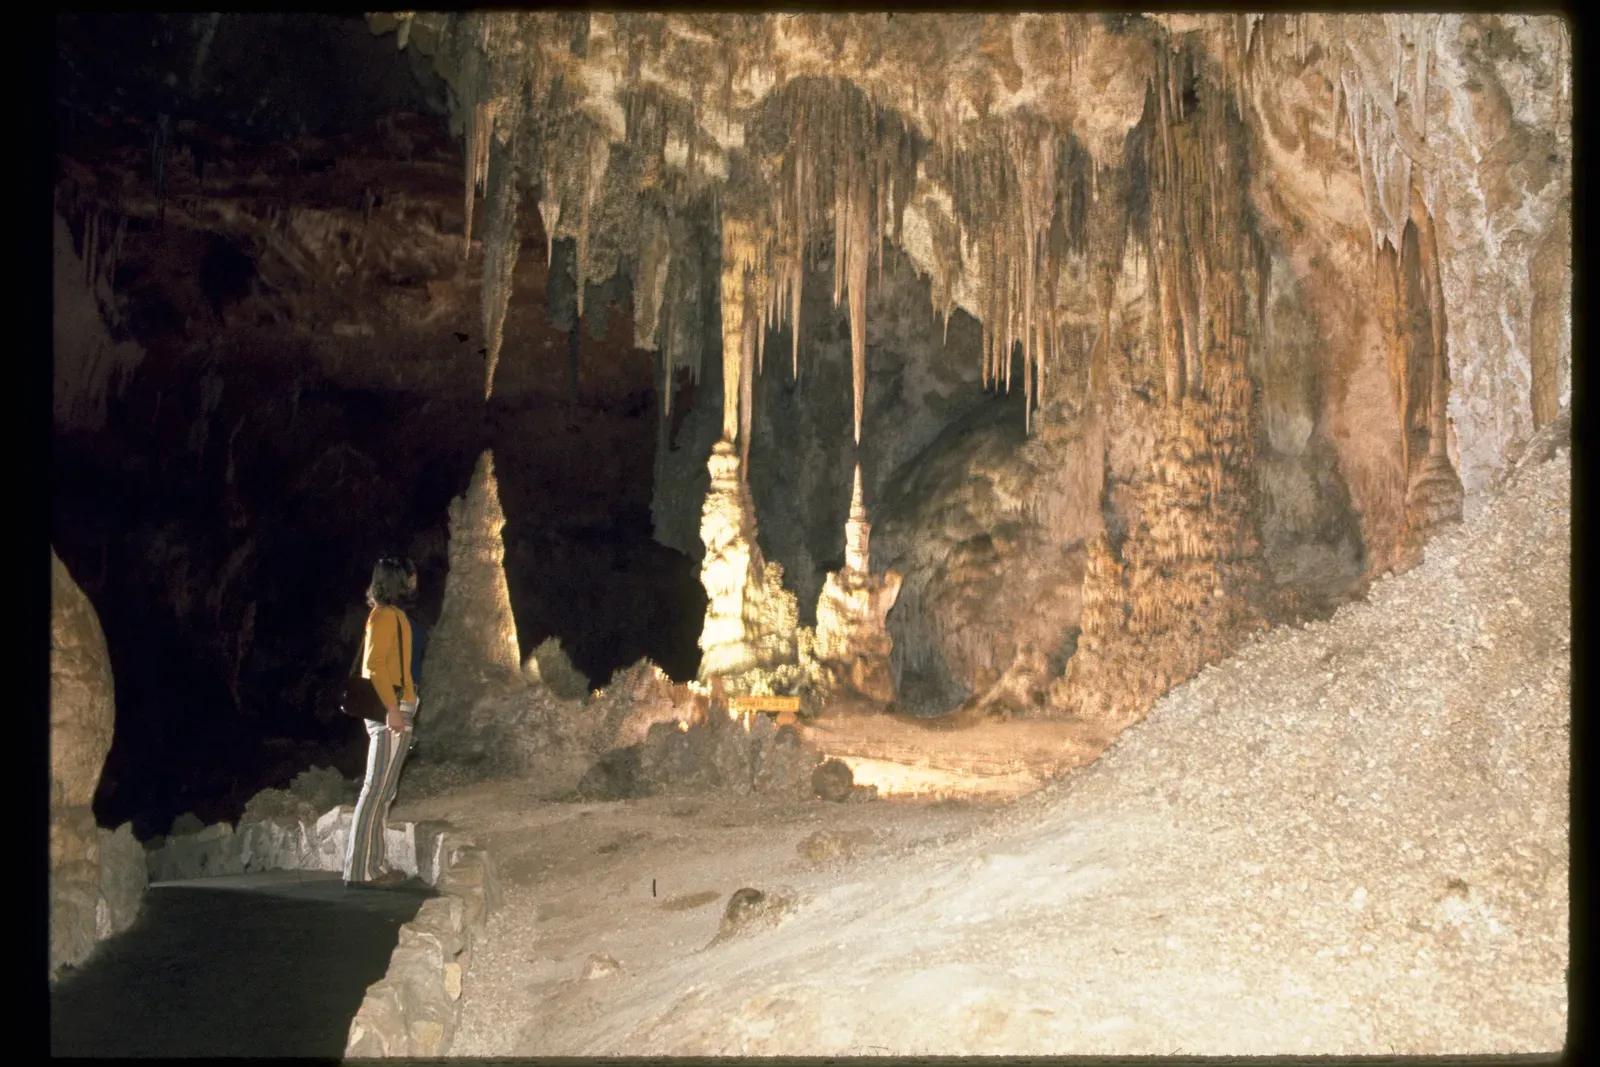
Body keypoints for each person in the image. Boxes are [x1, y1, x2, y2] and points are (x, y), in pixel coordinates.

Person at [343, 557, 417, 888]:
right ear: (400, 579)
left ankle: (373, 865)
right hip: (390, 710)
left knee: (383, 792)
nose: (416, 579)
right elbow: (374, 666)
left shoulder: (390, 615)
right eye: (411, 574)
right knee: (375, 790)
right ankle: (361, 871)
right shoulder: (385, 617)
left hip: (397, 707)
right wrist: (393, 708)